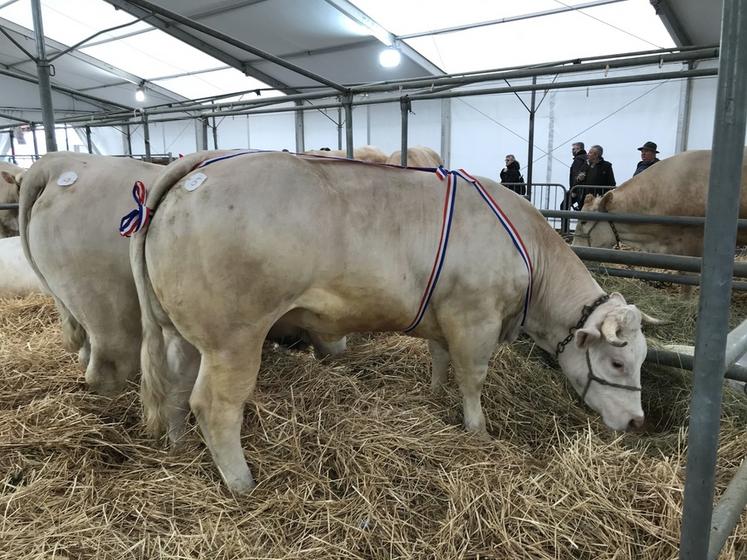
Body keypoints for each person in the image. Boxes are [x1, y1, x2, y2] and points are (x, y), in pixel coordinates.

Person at [575, 144, 615, 209]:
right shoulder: (585, 165)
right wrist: (579, 179)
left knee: (595, 218)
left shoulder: (606, 166)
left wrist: (604, 197)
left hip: (598, 201)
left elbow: (612, 183)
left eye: (590, 153)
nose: (587, 154)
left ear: (596, 155)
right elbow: (577, 181)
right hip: (585, 200)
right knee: (583, 217)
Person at [563, 141, 588, 210]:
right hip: (582, 189)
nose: (572, 151)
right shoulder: (586, 158)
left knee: (564, 206)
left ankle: (565, 221)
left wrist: (574, 190)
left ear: (579, 149)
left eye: (574, 149)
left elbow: (576, 176)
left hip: (577, 189)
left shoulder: (578, 159)